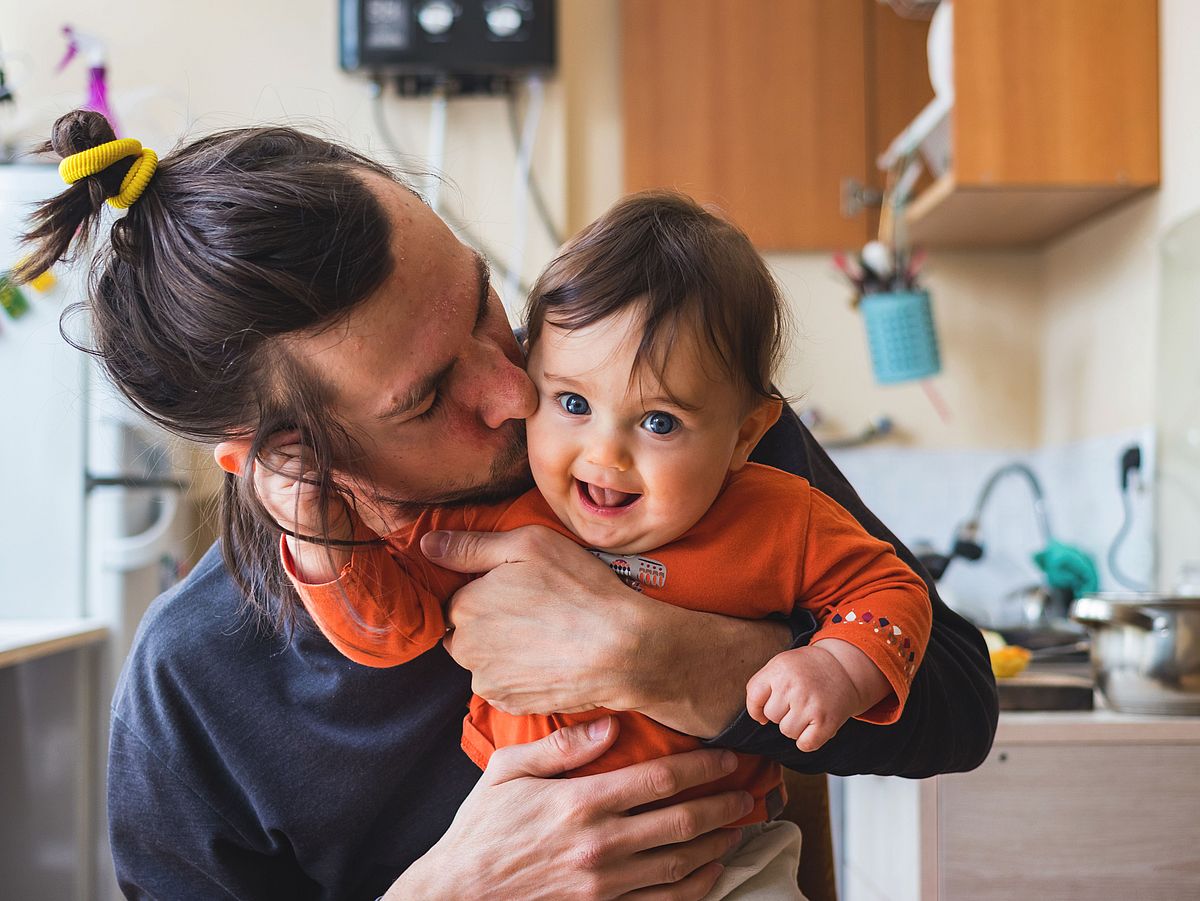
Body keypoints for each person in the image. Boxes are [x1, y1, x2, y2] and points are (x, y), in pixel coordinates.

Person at [18, 110, 998, 901]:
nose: (518, 390)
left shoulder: (663, 435)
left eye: (488, 303)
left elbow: (958, 704)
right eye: (430, 395)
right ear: (285, 468)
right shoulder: (196, 680)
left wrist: (661, 653)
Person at [249, 191, 933, 899]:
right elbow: (391, 626)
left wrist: (835, 665)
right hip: (532, 859)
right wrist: (319, 533)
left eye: (660, 422)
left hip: (724, 861)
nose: (605, 455)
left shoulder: (779, 516)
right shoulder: (495, 517)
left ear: (744, 435)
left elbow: (891, 594)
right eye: (573, 404)